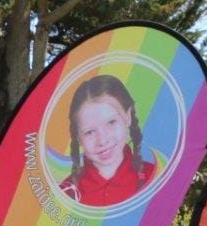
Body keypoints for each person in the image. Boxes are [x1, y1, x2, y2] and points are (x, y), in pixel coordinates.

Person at [58, 75, 156, 207]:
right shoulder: (64, 194)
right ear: (78, 137)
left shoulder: (154, 178)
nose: (102, 140)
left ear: (128, 116)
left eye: (111, 122)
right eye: (90, 132)